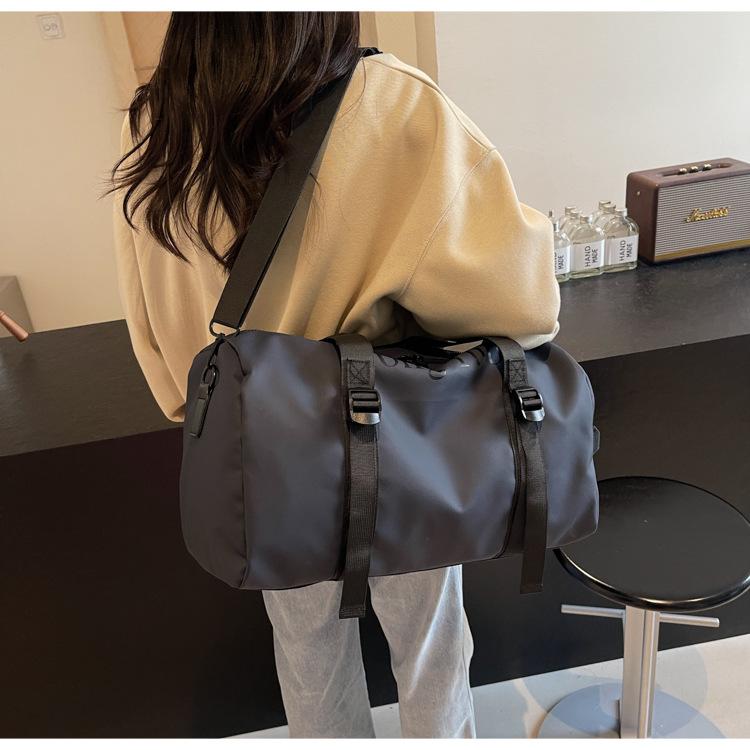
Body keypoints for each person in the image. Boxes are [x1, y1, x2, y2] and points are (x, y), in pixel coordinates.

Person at [111, 12, 559, 740]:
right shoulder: (391, 101)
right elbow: (521, 304)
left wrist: (192, 405)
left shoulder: (158, 118)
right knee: (431, 649)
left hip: (262, 452)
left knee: (307, 650)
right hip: (400, 437)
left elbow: (149, 310)